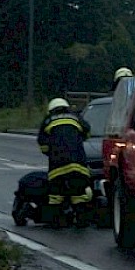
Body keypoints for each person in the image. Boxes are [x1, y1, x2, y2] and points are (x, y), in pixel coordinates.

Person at [37, 97, 93, 228]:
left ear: (51, 110)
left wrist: (51, 151)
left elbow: (43, 145)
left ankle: (56, 222)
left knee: (55, 195)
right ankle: (81, 221)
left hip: (58, 166)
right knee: (78, 194)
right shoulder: (76, 117)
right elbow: (87, 132)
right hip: (78, 164)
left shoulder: (47, 121)